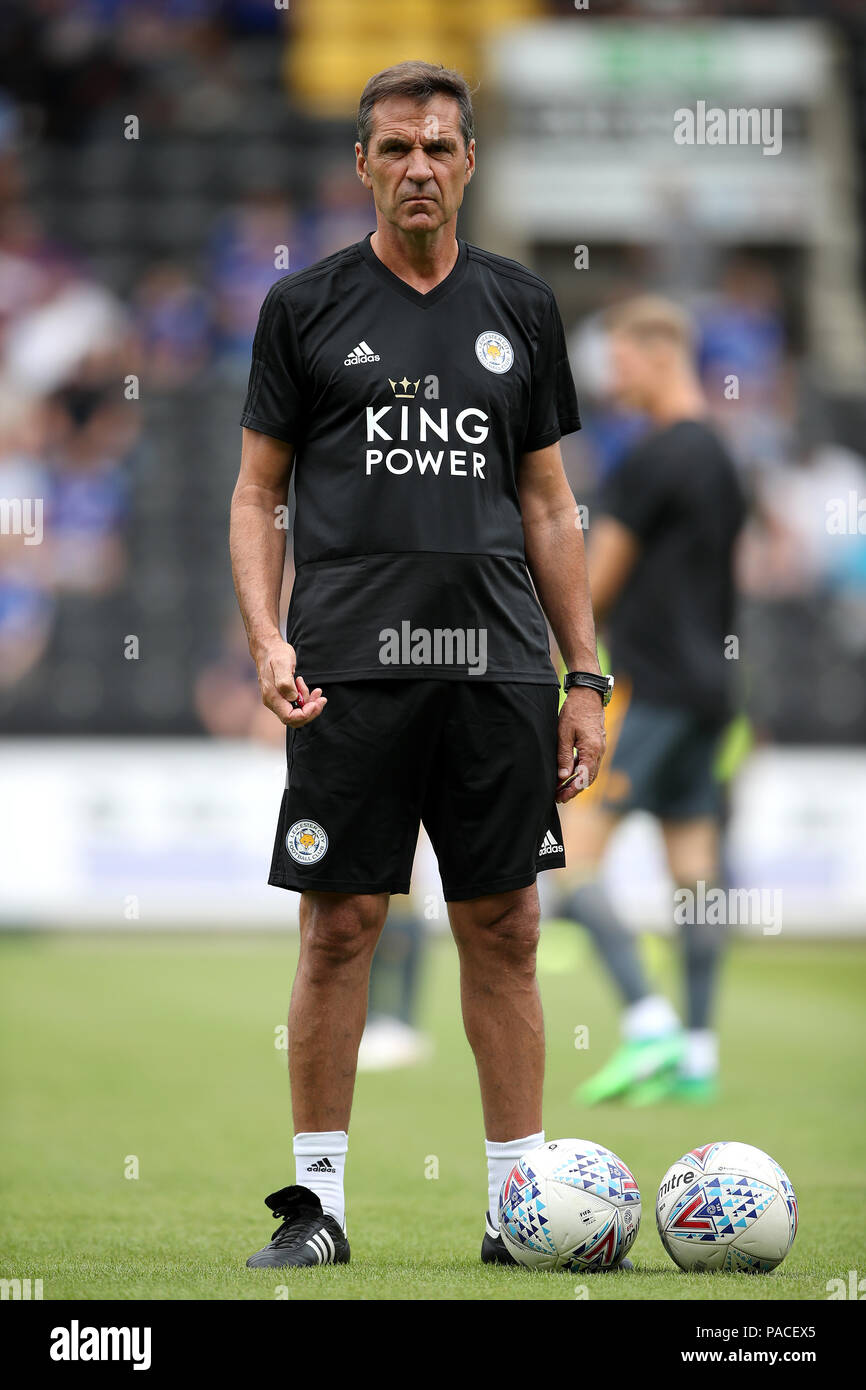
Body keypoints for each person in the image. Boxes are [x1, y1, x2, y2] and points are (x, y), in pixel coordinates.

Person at [230, 60, 611, 1269]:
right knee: (339, 926)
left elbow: (549, 507)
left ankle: (516, 1213)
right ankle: (316, 1208)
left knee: (502, 924)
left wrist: (583, 674)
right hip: (348, 667)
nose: (417, 168)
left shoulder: (522, 307)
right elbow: (255, 492)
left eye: (438, 147)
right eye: (394, 148)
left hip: (495, 667)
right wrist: (265, 635)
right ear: (360, 164)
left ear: (467, 162)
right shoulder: (304, 308)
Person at [557, 295, 747, 1106]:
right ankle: (699, 1051)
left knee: (570, 850)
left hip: (651, 687)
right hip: (714, 691)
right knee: (694, 868)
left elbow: (592, 585)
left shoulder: (649, 459)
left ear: (660, 354)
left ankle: (647, 1021)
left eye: (621, 359)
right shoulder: (726, 458)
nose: (611, 377)